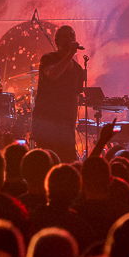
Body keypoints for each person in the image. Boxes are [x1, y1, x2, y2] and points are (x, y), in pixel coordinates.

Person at [31, 25, 85, 162]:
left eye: (72, 36)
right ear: (57, 41)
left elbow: (76, 95)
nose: (70, 39)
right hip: (47, 125)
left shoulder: (78, 69)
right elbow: (53, 74)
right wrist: (70, 55)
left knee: (67, 165)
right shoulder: (48, 59)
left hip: (66, 128)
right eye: (66, 36)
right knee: (47, 164)